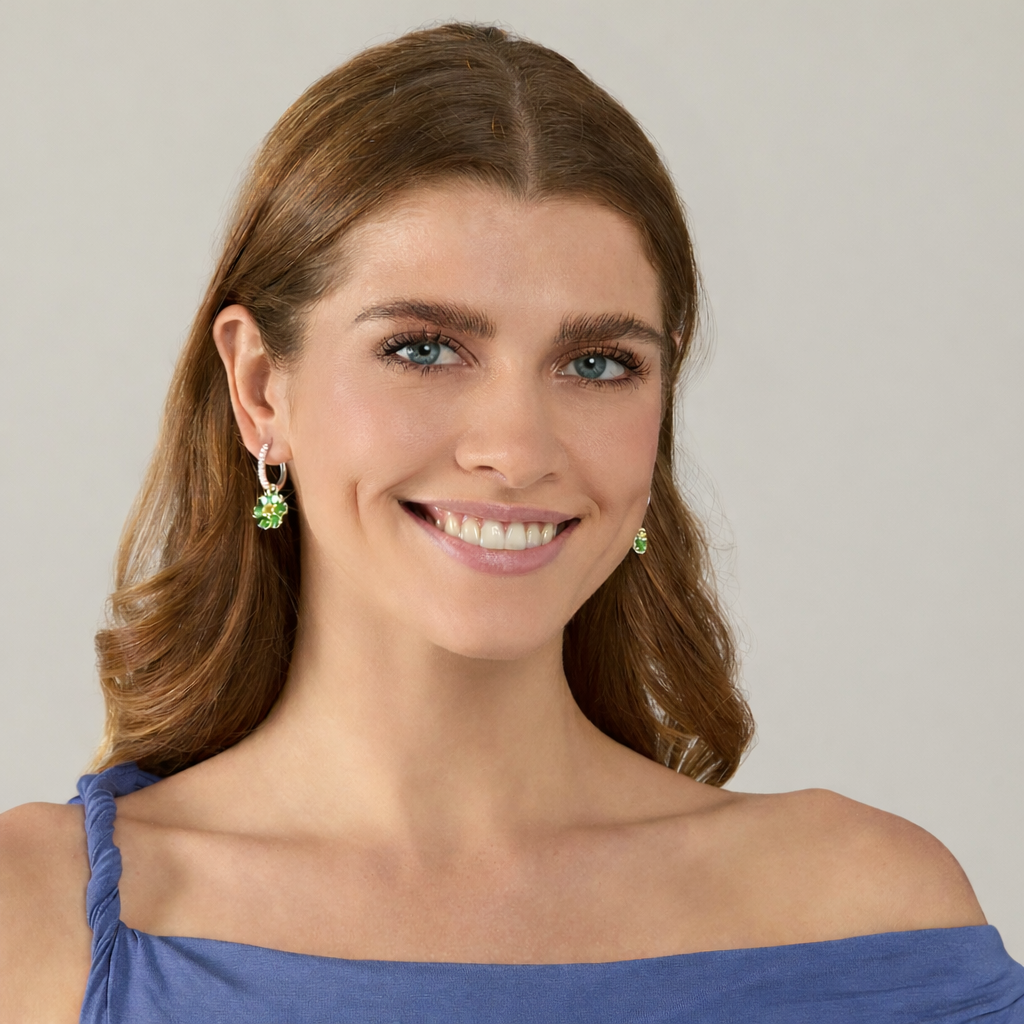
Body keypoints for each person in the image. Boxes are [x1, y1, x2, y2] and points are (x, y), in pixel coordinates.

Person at [1, 22, 1021, 1024]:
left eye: (597, 364)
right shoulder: (35, 923)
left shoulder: (868, 917)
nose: (517, 447)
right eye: (422, 348)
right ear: (262, 387)